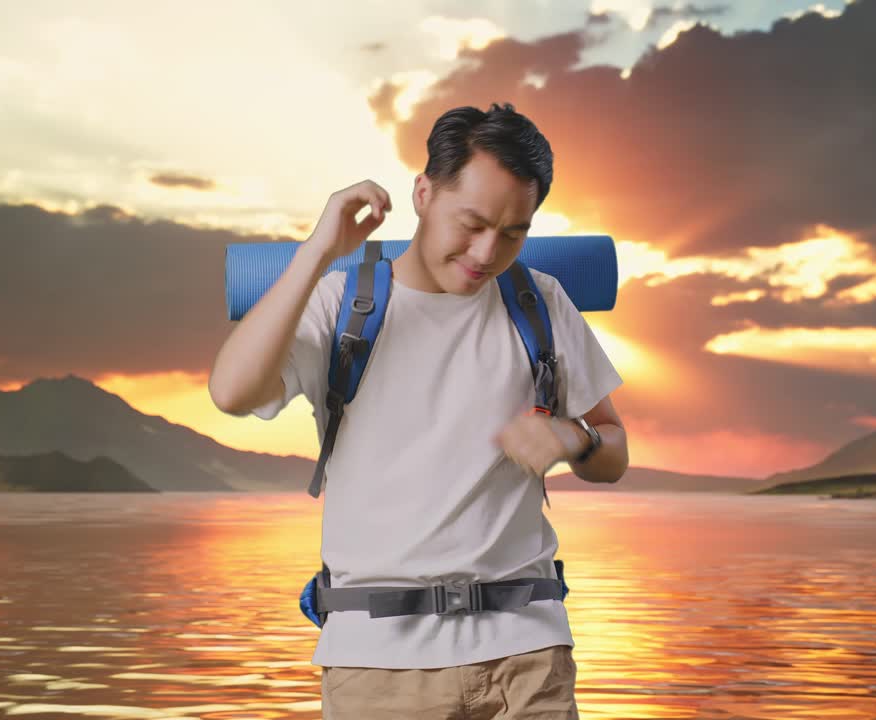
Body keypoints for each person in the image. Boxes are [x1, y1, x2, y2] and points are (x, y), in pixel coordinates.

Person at [209, 102, 628, 718]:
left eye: (514, 232)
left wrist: (574, 438)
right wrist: (318, 251)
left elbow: (613, 448)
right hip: (379, 664)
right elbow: (232, 392)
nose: (488, 252)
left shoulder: (540, 301)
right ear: (424, 193)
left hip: (529, 656)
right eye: (473, 222)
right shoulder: (342, 305)